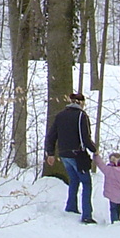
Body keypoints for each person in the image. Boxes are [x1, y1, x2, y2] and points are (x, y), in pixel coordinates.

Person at [45, 92, 97, 223]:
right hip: (77, 154)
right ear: (80, 102)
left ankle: (71, 207)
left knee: (74, 180)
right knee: (86, 183)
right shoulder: (81, 116)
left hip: (63, 154)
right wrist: (94, 149)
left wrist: (50, 153)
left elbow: (51, 135)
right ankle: (87, 215)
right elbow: (85, 137)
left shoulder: (60, 115)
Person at [94, 150, 120, 223]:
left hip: (112, 195)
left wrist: (96, 156)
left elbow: (100, 164)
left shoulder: (108, 170)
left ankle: (114, 222)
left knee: (113, 209)